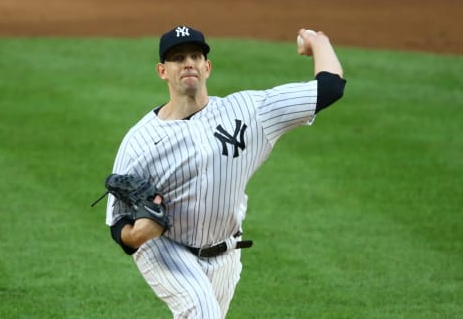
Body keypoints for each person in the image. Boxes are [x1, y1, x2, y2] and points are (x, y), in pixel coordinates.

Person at [105, 25, 346, 318]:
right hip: (166, 249)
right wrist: (136, 235)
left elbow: (330, 88)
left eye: (195, 56)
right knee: (202, 313)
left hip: (227, 253)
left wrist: (319, 42)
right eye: (178, 58)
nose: (188, 63)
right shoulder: (140, 141)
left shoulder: (249, 111)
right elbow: (118, 222)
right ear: (162, 71)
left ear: (207, 67)